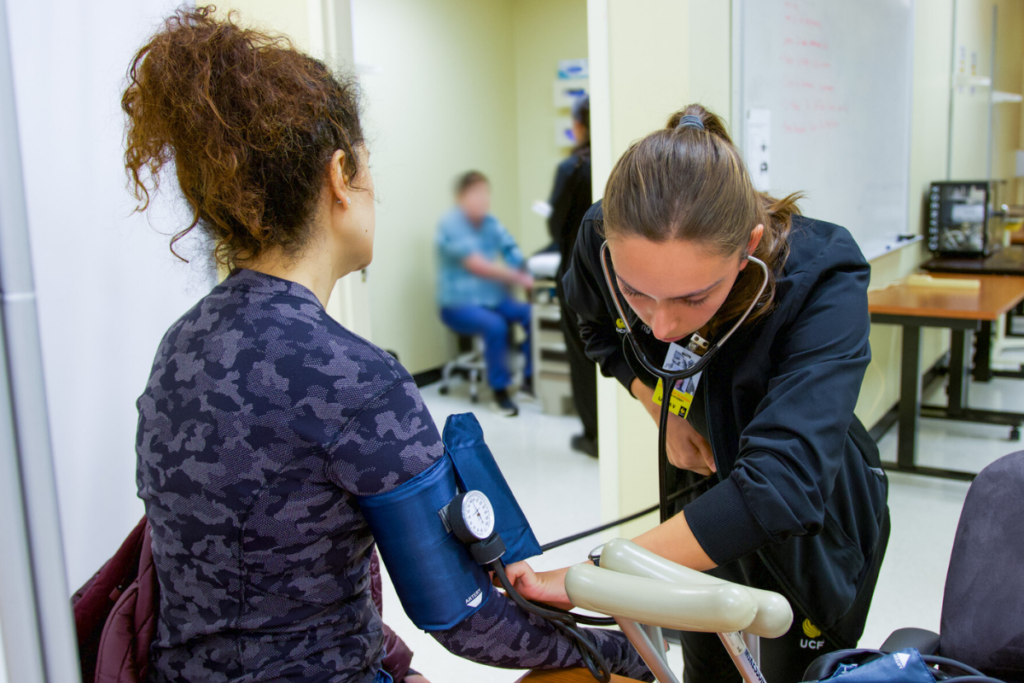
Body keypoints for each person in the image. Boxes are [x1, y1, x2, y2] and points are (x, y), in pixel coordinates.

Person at [123, 9, 651, 683]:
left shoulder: (178, 346)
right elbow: (461, 618)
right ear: (341, 174)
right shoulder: (356, 378)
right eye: (369, 166)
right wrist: (616, 654)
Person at [506, 104, 891, 683]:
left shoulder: (824, 277)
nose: (660, 328)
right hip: (700, 491)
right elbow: (593, 326)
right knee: (706, 662)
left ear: (748, 250)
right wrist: (657, 400)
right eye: (637, 295)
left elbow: (782, 486)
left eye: (692, 299)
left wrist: (599, 574)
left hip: (811, 519)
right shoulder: (600, 236)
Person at [436, 171, 534, 417]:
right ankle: (500, 393)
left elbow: (510, 248)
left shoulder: (490, 222)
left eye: (485, 193)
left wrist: (522, 268)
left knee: (533, 315)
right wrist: (516, 278)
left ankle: (528, 379)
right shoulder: (451, 225)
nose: (483, 199)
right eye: (476, 193)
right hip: (458, 304)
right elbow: (477, 265)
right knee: (496, 326)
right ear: (461, 197)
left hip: (492, 299)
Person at [547, 95, 598, 457]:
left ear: (579, 125)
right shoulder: (613, 160)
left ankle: (593, 436)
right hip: (610, 276)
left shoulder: (573, 167)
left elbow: (556, 225)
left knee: (582, 355)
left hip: (574, 275)